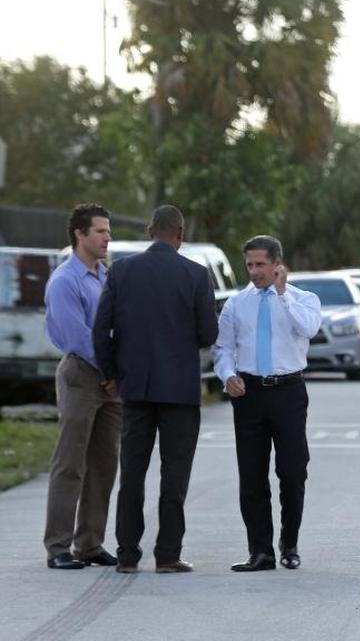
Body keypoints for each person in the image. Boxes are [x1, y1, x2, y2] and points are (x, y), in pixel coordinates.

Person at [93, 205, 218, 574]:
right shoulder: (196, 274)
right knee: (174, 475)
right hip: (180, 389)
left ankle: (127, 555)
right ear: (179, 234)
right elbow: (209, 334)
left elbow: (101, 330)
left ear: (150, 231)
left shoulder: (122, 271)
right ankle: (167, 555)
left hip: (135, 389)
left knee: (131, 473)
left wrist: (112, 373)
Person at [214, 236, 322, 572]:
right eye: (249, 265)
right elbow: (222, 349)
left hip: (288, 392)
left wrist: (282, 295)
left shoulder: (303, 299)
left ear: (277, 264)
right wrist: (227, 375)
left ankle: (289, 544)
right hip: (249, 394)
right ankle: (260, 551)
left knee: (292, 472)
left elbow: (309, 328)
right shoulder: (236, 304)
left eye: (261, 264)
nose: (255, 271)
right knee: (252, 475)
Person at [41, 204, 121, 570]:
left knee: (104, 464)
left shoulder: (105, 276)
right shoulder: (64, 281)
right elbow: (78, 337)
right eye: (101, 231)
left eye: (107, 231)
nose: (107, 238)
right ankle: (57, 547)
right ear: (80, 234)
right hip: (81, 375)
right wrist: (109, 370)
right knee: (70, 463)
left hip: (110, 379)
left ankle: (89, 544)